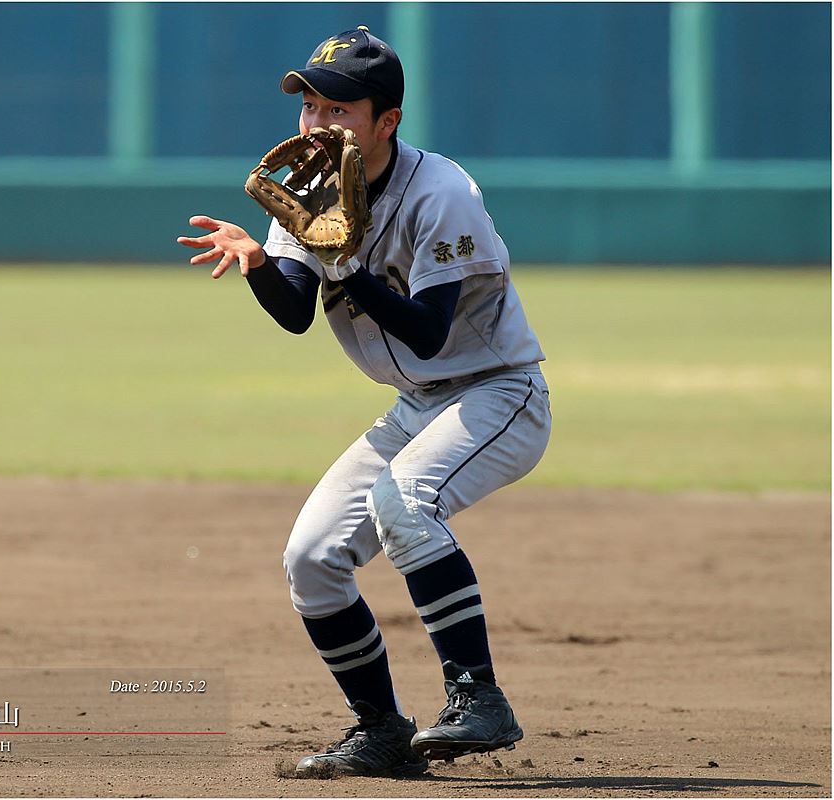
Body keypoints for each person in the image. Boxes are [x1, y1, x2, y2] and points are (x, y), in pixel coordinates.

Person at [177, 26, 552, 778]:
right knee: (311, 558)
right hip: (419, 404)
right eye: (310, 106)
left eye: (340, 110)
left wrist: (347, 266)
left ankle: (478, 698)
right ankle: (381, 729)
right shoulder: (308, 190)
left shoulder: (441, 192)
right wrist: (258, 262)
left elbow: (428, 332)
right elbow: (293, 310)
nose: (318, 124)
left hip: (498, 390)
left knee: (406, 502)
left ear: (388, 122)